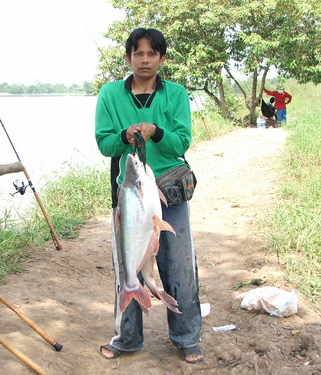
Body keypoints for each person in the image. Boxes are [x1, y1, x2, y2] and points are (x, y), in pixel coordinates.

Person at [94, 28, 203, 364]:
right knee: (127, 264)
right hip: (129, 192)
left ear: (161, 58)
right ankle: (127, 338)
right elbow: (104, 143)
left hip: (168, 189)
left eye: (151, 54)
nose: (144, 59)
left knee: (179, 263)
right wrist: (125, 136)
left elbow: (181, 143)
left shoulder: (176, 94)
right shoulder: (110, 94)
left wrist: (156, 132)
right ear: (128, 58)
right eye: (138, 53)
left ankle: (186, 337)